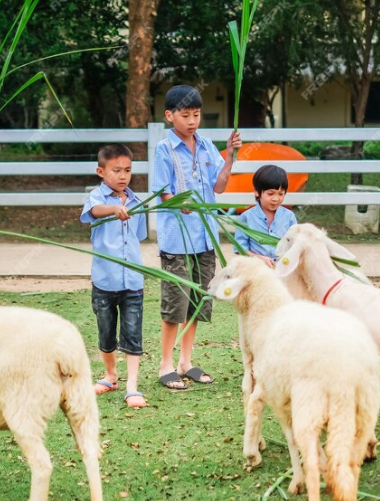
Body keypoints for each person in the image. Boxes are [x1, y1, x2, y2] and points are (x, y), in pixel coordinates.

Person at [150, 85, 241, 390]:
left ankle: (185, 362)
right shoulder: (164, 150)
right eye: (185, 115)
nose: (192, 121)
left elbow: (220, 187)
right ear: (169, 115)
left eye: (196, 115)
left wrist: (230, 156)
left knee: (198, 302)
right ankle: (165, 365)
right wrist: (180, 201)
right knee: (175, 302)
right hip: (177, 240)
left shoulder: (206, 146)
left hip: (205, 239)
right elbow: (164, 193)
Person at [80, 144, 148, 408]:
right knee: (106, 333)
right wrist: (113, 210)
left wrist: (124, 209)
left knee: (133, 333)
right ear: (101, 171)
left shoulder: (137, 201)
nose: (123, 176)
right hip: (104, 281)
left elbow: (138, 235)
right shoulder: (96, 199)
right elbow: (93, 213)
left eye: (128, 170)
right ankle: (110, 375)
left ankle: (132, 386)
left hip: (133, 281)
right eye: (116, 170)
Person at [235, 165, 298, 267]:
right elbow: (239, 249)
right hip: (256, 269)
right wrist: (258, 259)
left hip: (282, 269)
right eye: (270, 194)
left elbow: (295, 245)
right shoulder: (246, 217)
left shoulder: (289, 217)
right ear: (257, 192)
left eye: (281, 194)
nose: (276, 199)